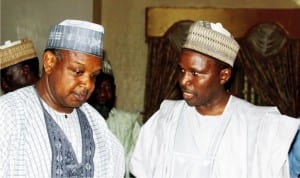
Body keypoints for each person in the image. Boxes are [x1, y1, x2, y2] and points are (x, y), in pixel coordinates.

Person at [129, 20, 300, 178]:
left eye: (195, 73)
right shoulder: (165, 120)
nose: (183, 81)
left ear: (224, 75)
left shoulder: (256, 127)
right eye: (182, 70)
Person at [0, 19, 125, 177]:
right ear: (50, 62)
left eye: (93, 76)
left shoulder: (96, 124)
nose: (87, 84)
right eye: (78, 72)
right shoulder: (8, 115)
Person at [88, 58, 141, 178]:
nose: (103, 94)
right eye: (99, 88)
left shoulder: (128, 124)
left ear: (114, 91)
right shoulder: (77, 120)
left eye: (107, 89)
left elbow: (138, 164)